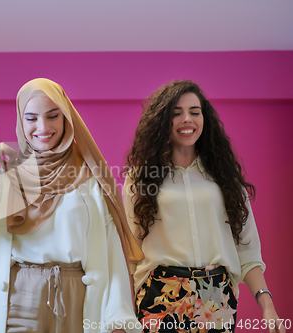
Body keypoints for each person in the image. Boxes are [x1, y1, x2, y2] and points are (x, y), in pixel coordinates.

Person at [0, 78, 144, 333]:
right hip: (19, 300)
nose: (42, 127)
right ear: (20, 120)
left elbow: (112, 250)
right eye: (31, 118)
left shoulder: (89, 177)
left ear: (66, 118)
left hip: (78, 298)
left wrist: (118, 317)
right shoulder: (11, 176)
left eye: (52, 116)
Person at [122, 80, 284, 333]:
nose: (187, 119)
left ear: (204, 118)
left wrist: (267, 304)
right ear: (162, 121)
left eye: (194, 112)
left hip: (216, 296)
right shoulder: (140, 179)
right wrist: (123, 312)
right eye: (176, 113)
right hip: (159, 295)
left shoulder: (225, 177)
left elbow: (247, 249)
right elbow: (130, 253)